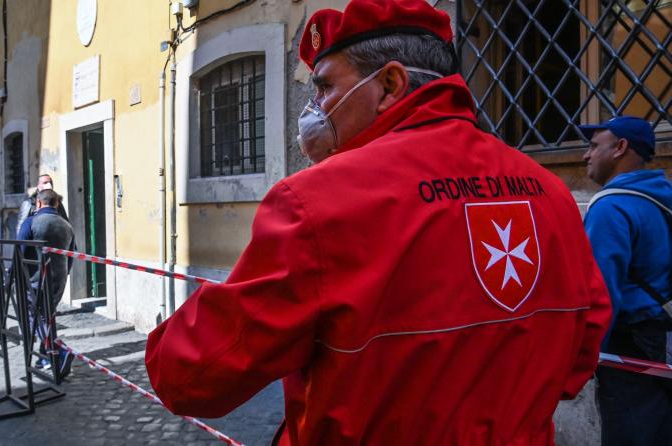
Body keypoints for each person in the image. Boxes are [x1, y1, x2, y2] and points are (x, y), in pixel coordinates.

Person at [145, 1, 611, 444]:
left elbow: (191, 377)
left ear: (389, 84)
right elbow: (581, 353)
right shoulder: (548, 191)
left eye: (325, 87)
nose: (316, 110)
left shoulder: (316, 203)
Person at [580, 116, 672, 446]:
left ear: (621, 148)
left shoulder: (611, 206)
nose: (585, 156)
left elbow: (600, 292)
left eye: (593, 146)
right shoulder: (663, 195)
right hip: (662, 338)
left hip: (627, 347)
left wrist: (585, 357)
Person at [17, 188, 75, 378]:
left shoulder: (31, 222)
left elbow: (20, 251)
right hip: (59, 279)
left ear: (39, 203)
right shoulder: (67, 226)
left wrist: (13, 275)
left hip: (35, 280)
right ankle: (47, 358)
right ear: (57, 204)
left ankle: (59, 351)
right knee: (47, 317)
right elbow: (71, 255)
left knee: (36, 317)